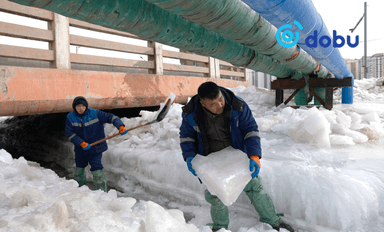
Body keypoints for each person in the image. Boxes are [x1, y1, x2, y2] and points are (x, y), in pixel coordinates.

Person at [179, 82, 294, 232]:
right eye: (213, 104)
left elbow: (250, 130)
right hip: (211, 158)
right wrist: (189, 157)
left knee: (254, 186)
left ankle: (273, 221)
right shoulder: (191, 113)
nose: (220, 105)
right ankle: (220, 227)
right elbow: (186, 136)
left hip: (236, 154)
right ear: (202, 103)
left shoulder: (237, 105)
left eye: (220, 99)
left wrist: (254, 156)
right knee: (215, 193)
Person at [65, 96, 128, 192]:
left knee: (97, 169)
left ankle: (101, 192)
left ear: (86, 106)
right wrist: (81, 142)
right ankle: (79, 191)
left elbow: (110, 117)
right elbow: (70, 134)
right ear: (74, 107)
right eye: (78, 106)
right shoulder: (70, 117)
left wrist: (120, 125)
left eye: (83, 106)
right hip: (81, 149)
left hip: (96, 148)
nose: (81, 108)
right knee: (79, 170)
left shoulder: (95, 113)